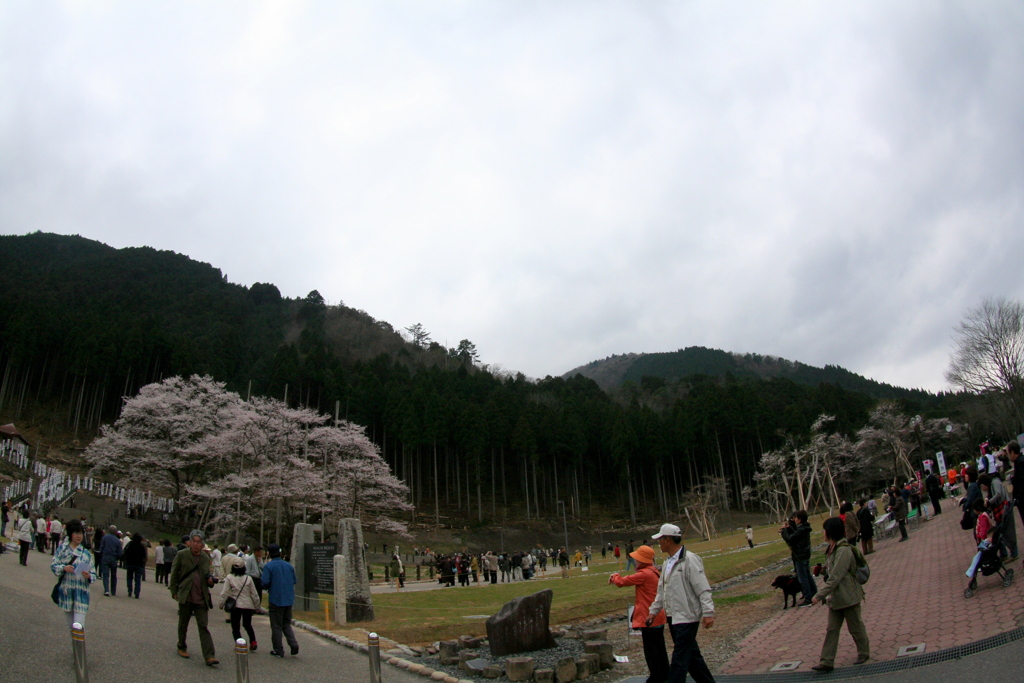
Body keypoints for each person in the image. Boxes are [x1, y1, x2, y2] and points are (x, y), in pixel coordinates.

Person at [646, 523, 715, 683]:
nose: (659, 543)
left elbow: (702, 588)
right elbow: (662, 590)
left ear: (668, 540)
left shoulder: (690, 560)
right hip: (673, 616)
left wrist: (708, 612)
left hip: (688, 616)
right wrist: (653, 611)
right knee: (691, 658)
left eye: (661, 539)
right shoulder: (667, 563)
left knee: (679, 659)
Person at [809, 517, 870, 671]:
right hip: (836, 598)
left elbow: (836, 576)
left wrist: (819, 595)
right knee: (832, 629)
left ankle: (864, 652)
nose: (823, 533)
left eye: (824, 530)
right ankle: (826, 661)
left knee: (855, 626)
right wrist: (822, 570)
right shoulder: (832, 548)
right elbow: (832, 570)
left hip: (848, 595)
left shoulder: (843, 550)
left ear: (830, 532)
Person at [610, 545, 669, 683]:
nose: (635, 561)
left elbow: (623, 581)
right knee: (660, 648)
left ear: (643, 560)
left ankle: (656, 677)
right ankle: (665, 674)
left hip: (649, 617)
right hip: (658, 615)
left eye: (637, 558)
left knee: (650, 650)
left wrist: (614, 576)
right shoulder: (654, 571)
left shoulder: (644, 574)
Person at [168, 529, 219, 666]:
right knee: (183, 623)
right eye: (194, 542)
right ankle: (181, 645)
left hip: (201, 596)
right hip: (186, 594)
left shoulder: (205, 558)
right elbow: (174, 573)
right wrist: (173, 590)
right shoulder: (181, 555)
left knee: (203, 626)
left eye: (199, 542)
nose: (196, 544)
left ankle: (209, 655)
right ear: (190, 543)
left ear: (203, 544)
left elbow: (207, 576)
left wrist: (210, 582)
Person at [50, 520, 94, 632]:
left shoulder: (86, 553)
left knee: (78, 626)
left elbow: (93, 573)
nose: (79, 536)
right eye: (76, 533)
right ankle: (75, 649)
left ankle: (79, 649)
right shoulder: (63, 549)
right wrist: (63, 568)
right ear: (70, 534)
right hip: (67, 591)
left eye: (80, 533)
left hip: (81, 593)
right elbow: (54, 565)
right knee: (71, 626)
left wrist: (89, 575)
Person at [261, 543, 300, 658]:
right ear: (280, 552)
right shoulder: (288, 566)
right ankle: (293, 643)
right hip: (288, 599)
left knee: (276, 625)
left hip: (276, 599)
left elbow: (265, 582)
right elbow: (294, 580)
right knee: (286, 624)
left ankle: (278, 649)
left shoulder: (269, 566)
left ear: (269, 553)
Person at [219, 555, 261, 652]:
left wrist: (221, 604)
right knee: (247, 625)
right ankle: (253, 641)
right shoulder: (248, 578)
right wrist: (257, 606)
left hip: (235, 605)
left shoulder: (229, 577)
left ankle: (240, 643)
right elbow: (254, 594)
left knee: (235, 627)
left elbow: (224, 593)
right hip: (247, 605)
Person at [780, 510, 817, 606]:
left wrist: (784, 531)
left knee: (802, 578)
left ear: (799, 519)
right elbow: (795, 536)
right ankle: (813, 591)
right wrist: (788, 529)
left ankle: (808, 598)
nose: (794, 520)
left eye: (796, 518)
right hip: (804, 555)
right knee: (807, 574)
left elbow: (791, 539)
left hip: (800, 556)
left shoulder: (801, 529)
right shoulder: (804, 528)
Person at [99, 525, 123, 595]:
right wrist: (117, 558)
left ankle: (106, 589)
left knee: (105, 574)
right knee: (113, 575)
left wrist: (101, 555)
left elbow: (101, 548)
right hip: (113, 558)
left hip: (105, 557)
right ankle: (113, 590)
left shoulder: (104, 538)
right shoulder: (118, 541)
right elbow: (120, 552)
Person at [123, 532, 148, 598]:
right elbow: (144, 555)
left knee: (129, 578)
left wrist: (126, 560)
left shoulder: (130, 544)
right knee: (137, 579)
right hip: (139, 564)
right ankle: (137, 593)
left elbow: (125, 551)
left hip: (130, 563)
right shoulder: (142, 546)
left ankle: (130, 590)